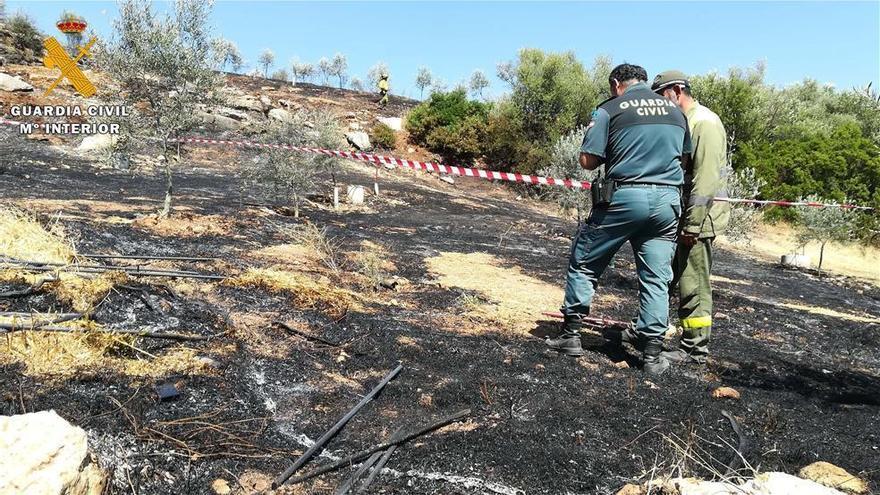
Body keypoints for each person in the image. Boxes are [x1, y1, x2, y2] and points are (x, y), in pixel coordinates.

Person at [546, 63, 691, 376]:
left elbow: (588, 161)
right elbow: (684, 158)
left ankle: (571, 335)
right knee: (656, 277)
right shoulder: (676, 112)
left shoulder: (610, 109)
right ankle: (652, 354)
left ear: (616, 83)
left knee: (585, 261)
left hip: (624, 198)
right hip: (667, 202)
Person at [652, 70, 731, 364]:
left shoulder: (704, 123)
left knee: (693, 283)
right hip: (683, 216)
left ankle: (694, 349)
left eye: (661, 95)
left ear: (676, 90)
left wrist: (693, 224)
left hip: (699, 219)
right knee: (669, 277)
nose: (660, 102)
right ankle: (649, 331)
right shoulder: (685, 121)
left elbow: (705, 181)